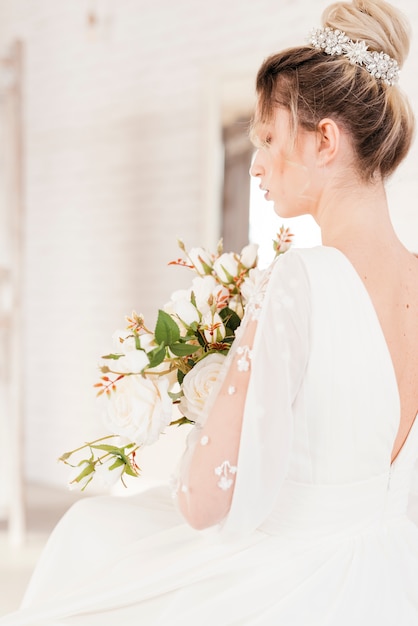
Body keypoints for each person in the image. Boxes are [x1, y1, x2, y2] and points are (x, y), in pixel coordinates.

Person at [2, 0, 418, 623]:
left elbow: (201, 500)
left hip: (294, 586)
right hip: (392, 574)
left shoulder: (299, 280)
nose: (256, 163)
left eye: (270, 139)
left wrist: (202, 403)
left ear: (325, 140)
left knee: (88, 537)